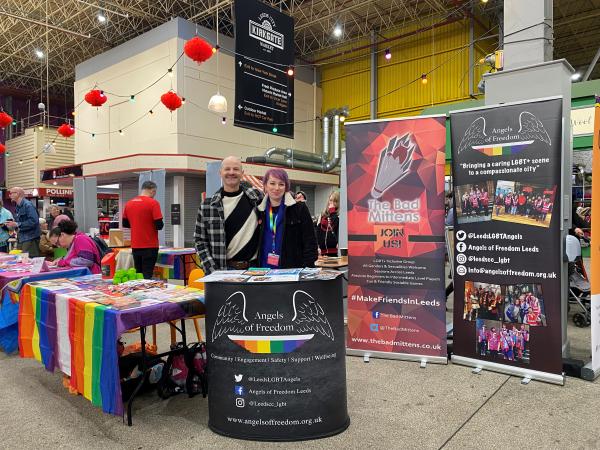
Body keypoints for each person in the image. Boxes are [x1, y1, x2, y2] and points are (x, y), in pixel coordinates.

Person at [194, 156, 263, 274]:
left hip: (254, 270)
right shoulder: (207, 206)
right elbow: (200, 241)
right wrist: (212, 271)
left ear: (242, 173)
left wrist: (298, 196)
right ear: (220, 173)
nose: (231, 172)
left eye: (236, 169)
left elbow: (277, 198)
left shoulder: (256, 198)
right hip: (222, 271)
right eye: (227, 169)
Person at [257, 169, 317, 269]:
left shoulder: (299, 209)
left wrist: (307, 268)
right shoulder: (259, 210)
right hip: (263, 270)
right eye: (272, 183)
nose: (276, 188)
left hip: (291, 270)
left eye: (281, 184)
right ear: (265, 186)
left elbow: (310, 242)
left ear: (286, 187)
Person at [122, 181, 164, 279]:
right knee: (147, 275)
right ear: (152, 191)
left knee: (138, 274)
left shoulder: (129, 203)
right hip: (150, 245)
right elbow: (159, 225)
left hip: (136, 245)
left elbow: (125, 224)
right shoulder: (153, 203)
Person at [5, 187, 41, 257]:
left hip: (30, 238)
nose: (10, 195)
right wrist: (13, 225)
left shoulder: (28, 205)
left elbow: (34, 221)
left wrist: (17, 224)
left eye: (11, 193)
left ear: (17, 194)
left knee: (30, 261)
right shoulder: (18, 206)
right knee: (21, 260)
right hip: (22, 238)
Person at [316, 190, 340, 257]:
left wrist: (333, 212)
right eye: (330, 200)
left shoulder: (339, 216)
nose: (331, 203)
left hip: (335, 252)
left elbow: (334, 227)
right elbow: (318, 232)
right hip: (323, 253)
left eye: (335, 201)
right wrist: (318, 246)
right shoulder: (323, 215)